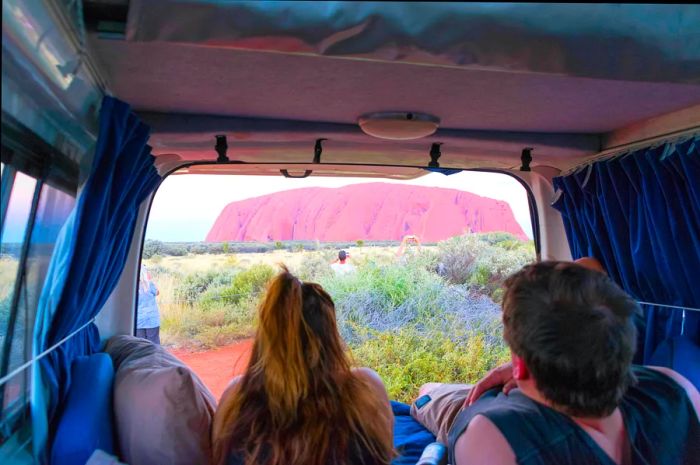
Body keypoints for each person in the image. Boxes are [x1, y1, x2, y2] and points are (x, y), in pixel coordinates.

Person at [411, 260, 700, 465]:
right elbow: (590, 267)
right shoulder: (676, 390)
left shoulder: (492, 437)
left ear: (520, 365)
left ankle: (426, 395)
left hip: (475, 405)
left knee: (428, 395)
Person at [212, 267, 394, 465]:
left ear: (266, 337)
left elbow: (217, 456)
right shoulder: (364, 388)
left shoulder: (236, 397)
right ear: (329, 336)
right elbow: (384, 456)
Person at [136, 264, 161, 344]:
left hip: (139, 320)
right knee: (154, 343)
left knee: (141, 345)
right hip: (152, 319)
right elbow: (157, 292)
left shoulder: (133, 286)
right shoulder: (150, 285)